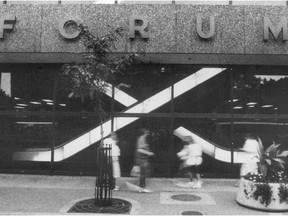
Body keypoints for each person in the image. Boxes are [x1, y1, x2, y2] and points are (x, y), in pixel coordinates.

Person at [134, 128, 154, 193]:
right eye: (146, 133)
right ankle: (142, 188)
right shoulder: (141, 139)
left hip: (143, 159)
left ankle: (142, 187)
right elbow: (139, 150)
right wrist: (149, 153)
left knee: (144, 173)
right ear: (144, 133)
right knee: (143, 173)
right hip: (141, 159)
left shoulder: (142, 139)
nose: (147, 134)